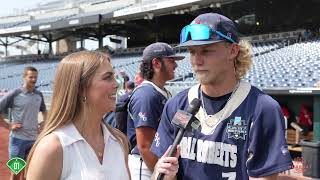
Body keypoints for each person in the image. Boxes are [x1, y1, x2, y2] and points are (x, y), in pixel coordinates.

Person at [151, 13, 293, 180]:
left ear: (233, 51)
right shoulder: (177, 105)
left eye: (206, 51)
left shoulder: (262, 108)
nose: (197, 61)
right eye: (192, 52)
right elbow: (160, 172)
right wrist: (163, 174)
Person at [26, 51, 130, 180]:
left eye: (114, 77)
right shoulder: (52, 148)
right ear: (81, 88)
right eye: (108, 77)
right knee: (15, 168)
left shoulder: (120, 141)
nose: (116, 84)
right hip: (20, 139)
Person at [127, 42, 184, 179]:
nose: (176, 65)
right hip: (146, 166)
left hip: (161, 162)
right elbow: (145, 146)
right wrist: (161, 175)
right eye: (171, 61)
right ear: (156, 63)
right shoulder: (146, 95)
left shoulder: (163, 92)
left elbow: (178, 123)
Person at [0, 66, 47, 180]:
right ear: (24, 77)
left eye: (35, 77)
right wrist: (8, 125)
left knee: (29, 174)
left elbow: (44, 111)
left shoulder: (38, 95)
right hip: (18, 142)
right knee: (16, 173)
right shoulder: (15, 93)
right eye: (31, 77)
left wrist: (44, 122)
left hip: (33, 141)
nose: (33, 79)